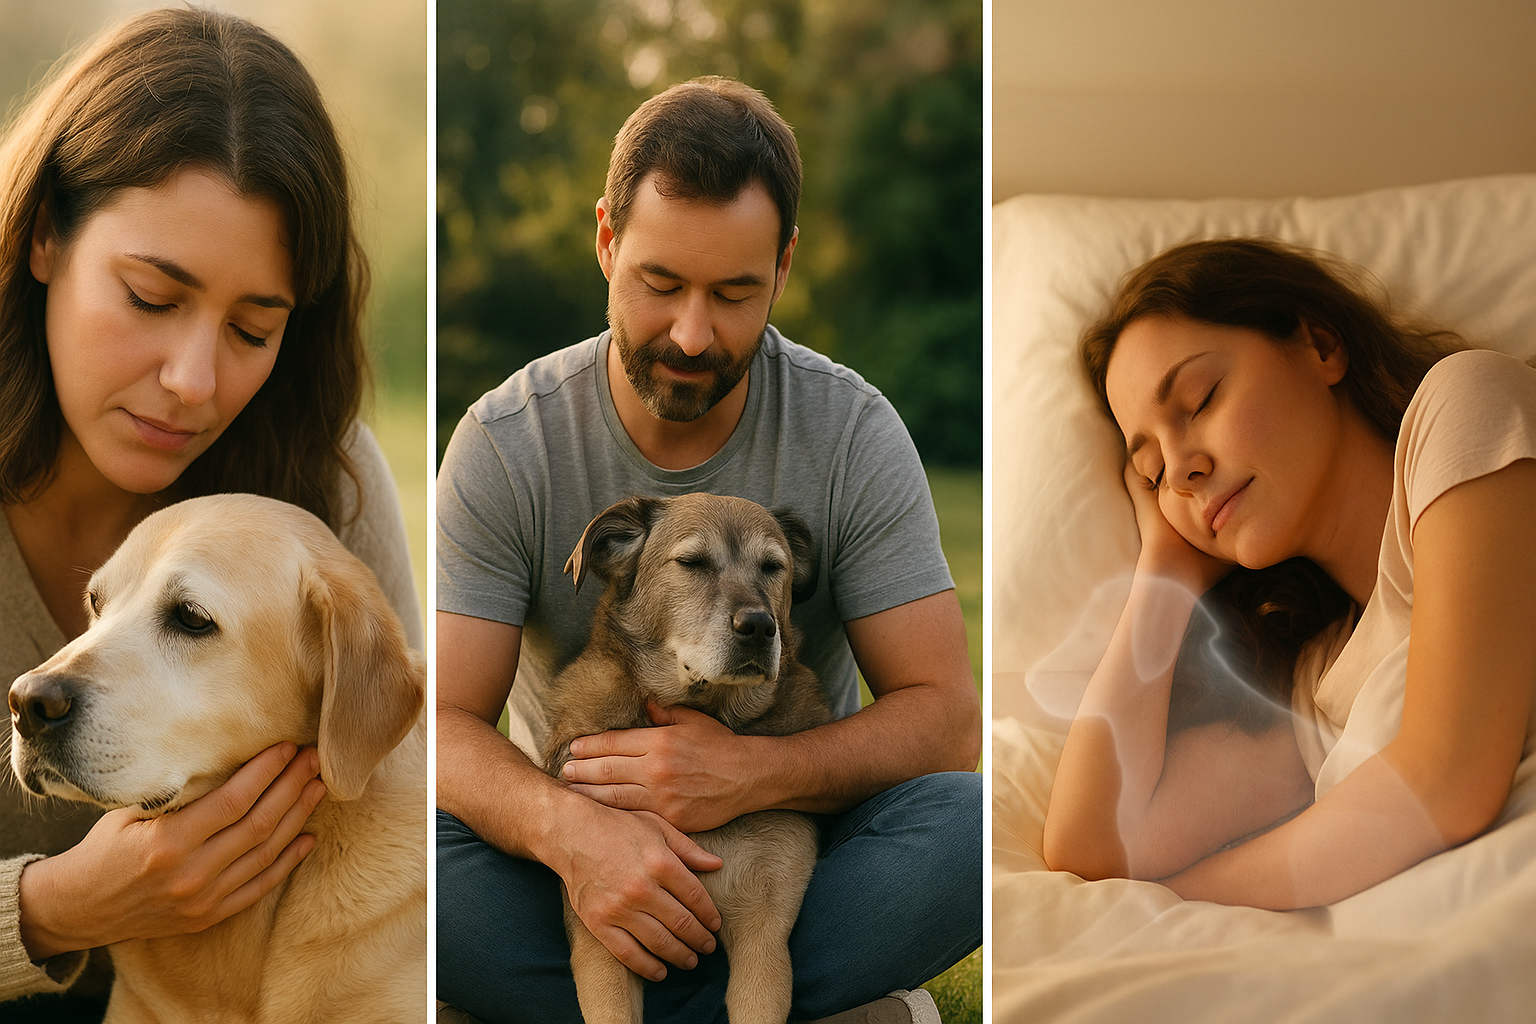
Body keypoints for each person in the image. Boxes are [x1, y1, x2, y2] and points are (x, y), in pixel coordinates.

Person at [436, 77, 981, 1023]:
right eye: (660, 284)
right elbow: (439, 726)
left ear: (784, 265)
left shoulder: (853, 432)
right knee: (407, 846)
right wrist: (573, 837)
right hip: (582, 865)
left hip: (790, 856)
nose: (693, 333)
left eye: (735, 293)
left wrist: (752, 774)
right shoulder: (505, 441)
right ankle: (816, 1007)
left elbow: (946, 723)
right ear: (607, 240)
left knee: (971, 835)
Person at [0, 8, 420, 1018]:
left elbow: (393, 778)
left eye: (252, 327)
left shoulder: (326, 485)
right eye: (151, 296)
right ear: (47, 236)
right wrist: (53, 908)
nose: (194, 381)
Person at [1043, 237, 1536, 909]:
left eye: (1201, 398)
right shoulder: (1314, 683)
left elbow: (1445, 778)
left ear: (1321, 346)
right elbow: (1092, 845)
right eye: (1153, 471)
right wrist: (1165, 571)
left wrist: (1179, 899)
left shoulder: (1466, 405)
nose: (1181, 470)